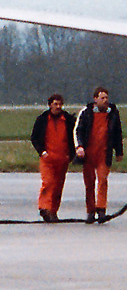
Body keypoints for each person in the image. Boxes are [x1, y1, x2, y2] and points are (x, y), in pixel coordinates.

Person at [74, 87, 123, 223]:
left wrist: (119, 152)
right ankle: (90, 211)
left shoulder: (113, 113)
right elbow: (78, 130)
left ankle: (101, 209)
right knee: (89, 183)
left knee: (102, 181)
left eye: (106, 97)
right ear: (95, 99)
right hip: (89, 153)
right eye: (102, 98)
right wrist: (79, 147)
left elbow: (118, 133)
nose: (105, 100)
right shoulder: (86, 112)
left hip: (104, 152)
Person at [30, 94, 75, 222]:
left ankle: (53, 211)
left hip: (63, 158)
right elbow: (34, 137)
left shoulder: (68, 119)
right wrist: (42, 152)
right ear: (50, 105)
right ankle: (44, 208)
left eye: (60, 104)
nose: (58, 107)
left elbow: (74, 137)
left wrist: (70, 155)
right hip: (47, 158)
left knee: (58, 186)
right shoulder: (42, 119)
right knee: (48, 183)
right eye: (55, 104)